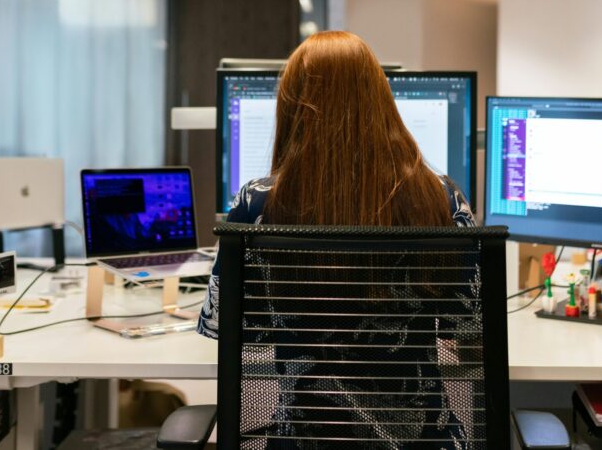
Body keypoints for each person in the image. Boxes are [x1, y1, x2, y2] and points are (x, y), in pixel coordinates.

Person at [196, 31, 476, 445]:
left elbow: (230, 327)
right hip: (422, 440)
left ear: (291, 109)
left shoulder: (256, 204)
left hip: (304, 440)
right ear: (381, 101)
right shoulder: (441, 196)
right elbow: (470, 326)